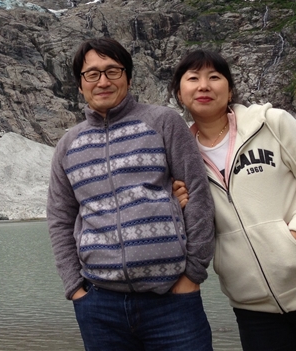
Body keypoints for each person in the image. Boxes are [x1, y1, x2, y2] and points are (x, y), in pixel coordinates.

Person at [169, 49, 296, 351]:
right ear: (179, 94)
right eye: (193, 78)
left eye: (214, 77)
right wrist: (176, 205)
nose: (204, 86)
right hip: (251, 306)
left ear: (230, 90)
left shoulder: (272, 124)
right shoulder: (181, 156)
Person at [47, 37, 215, 351]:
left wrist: (192, 274)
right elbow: (60, 219)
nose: (103, 81)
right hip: (99, 307)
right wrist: (75, 289)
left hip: (172, 301)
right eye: (92, 74)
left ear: (128, 77)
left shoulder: (164, 122)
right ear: (80, 85)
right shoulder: (68, 145)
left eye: (113, 71)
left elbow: (198, 195)